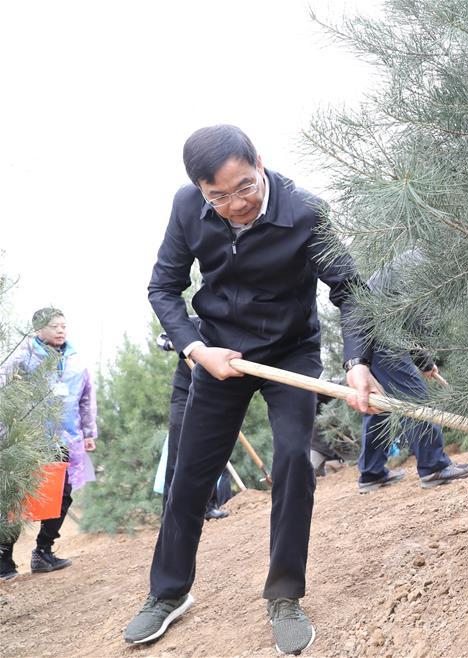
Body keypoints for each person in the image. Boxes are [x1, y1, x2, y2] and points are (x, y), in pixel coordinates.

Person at [124, 125, 381, 655]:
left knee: (293, 459)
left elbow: (350, 291)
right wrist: (196, 349)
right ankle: (168, 593)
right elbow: (163, 287)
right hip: (219, 354)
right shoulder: (186, 207)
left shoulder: (306, 211)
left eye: (244, 187)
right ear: (199, 190)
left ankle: (284, 595)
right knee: (190, 472)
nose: (236, 204)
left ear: (259, 164)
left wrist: (357, 362)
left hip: (290, 351)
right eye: (218, 196)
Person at [358, 253, 468, 492]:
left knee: (379, 404)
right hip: (381, 333)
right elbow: (413, 320)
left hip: (362, 332)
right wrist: (424, 362)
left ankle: (371, 473)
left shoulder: (414, 257)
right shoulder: (424, 266)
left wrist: (423, 361)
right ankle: (434, 468)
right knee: (416, 397)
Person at [0, 308, 98, 580]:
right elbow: (4, 394)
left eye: (63, 325)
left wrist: (89, 431)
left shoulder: (76, 359)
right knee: (17, 498)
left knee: (62, 495)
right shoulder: (22, 358)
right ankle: (3, 559)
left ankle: (43, 552)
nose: (60, 330)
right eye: (54, 325)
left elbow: (87, 396)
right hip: (27, 439)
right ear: (38, 329)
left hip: (65, 439)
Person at [157, 327, 231, 520]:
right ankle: (168, 511)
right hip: (185, 391)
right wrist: (173, 343)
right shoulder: (194, 323)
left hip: (214, 393)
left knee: (211, 450)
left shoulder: (231, 329)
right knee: (177, 448)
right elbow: (161, 338)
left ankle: (208, 505)